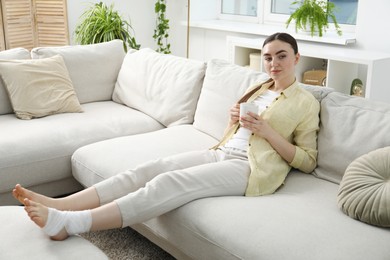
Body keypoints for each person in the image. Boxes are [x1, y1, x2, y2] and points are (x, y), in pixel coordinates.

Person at [13, 32, 320, 241]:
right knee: (145, 169)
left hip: (251, 170)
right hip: (221, 151)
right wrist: (233, 120)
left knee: (167, 183)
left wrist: (267, 131)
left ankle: (72, 224)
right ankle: (63, 206)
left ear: (296, 57)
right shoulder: (259, 87)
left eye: (281, 56)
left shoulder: (306, 102)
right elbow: (237, 134)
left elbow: (307, 161)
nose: (273, 64)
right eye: (267, 58)